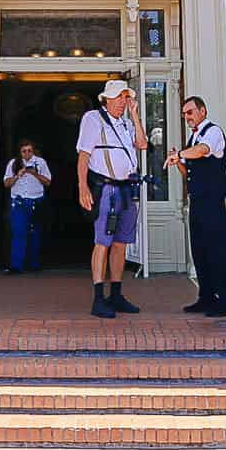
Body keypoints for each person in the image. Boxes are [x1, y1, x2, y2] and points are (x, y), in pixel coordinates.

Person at [76, 79, 148, 319]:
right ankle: (98, 298)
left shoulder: (127, 124)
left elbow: (143, 144)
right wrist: (82, 187)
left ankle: (116, 294)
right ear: (106, 99)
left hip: (126, 189)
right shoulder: (93, 119)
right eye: (118, 97)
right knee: (103, 242)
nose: (122, 102)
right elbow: (84, 155)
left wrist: (135, 116)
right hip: (106, 189)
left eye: (125, 97)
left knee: (121, 243)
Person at [167, 95, 226, 317]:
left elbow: (203, 151)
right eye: (184, 114)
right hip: (197, 201)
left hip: (213, 202)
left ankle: (222, 301)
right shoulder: (192, 139)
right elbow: (189, 171)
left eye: (190, 112)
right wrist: (178, 163)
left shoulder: (212, 132)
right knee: (200, 251)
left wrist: (181, 154)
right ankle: (205, 297)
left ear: (202, 111)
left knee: (216, 251)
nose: (187, 117)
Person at [2, 138, 51, 274]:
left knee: (35, 233)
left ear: (33, 150)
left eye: (29, 151)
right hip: (19, 202)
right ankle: (16, 266)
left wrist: (35, 174)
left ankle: (34, 265)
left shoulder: (40, 162)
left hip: (36, 202)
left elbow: (48, 182)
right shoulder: (13, 163)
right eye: (24, 151)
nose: (27, 154)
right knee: (18, 233)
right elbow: (6, 183)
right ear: (20, 152)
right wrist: (18, 175)